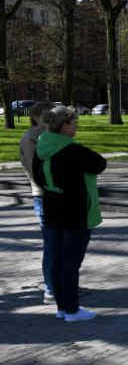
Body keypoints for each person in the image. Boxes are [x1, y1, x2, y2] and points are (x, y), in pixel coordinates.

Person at [32, 106, 106, 322]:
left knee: (57, 260)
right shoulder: (73, 150)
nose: (76, 127)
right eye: (74, 123)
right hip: (75, 212)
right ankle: (72, 310)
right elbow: (100, 164)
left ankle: (62, 307)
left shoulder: (41, 147)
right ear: (64, 126)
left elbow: (38, 177)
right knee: (70, 263)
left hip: (52, 208)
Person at [19, 101, 56, 303]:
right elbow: (34, 169)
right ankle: (50, 289)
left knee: (62, 244)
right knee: (52, 244)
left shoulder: (53, 136)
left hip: (60, 195)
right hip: (44, 195)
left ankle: (64, 284)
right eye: (48, 115)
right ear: (36, 117)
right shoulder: (30, 139)